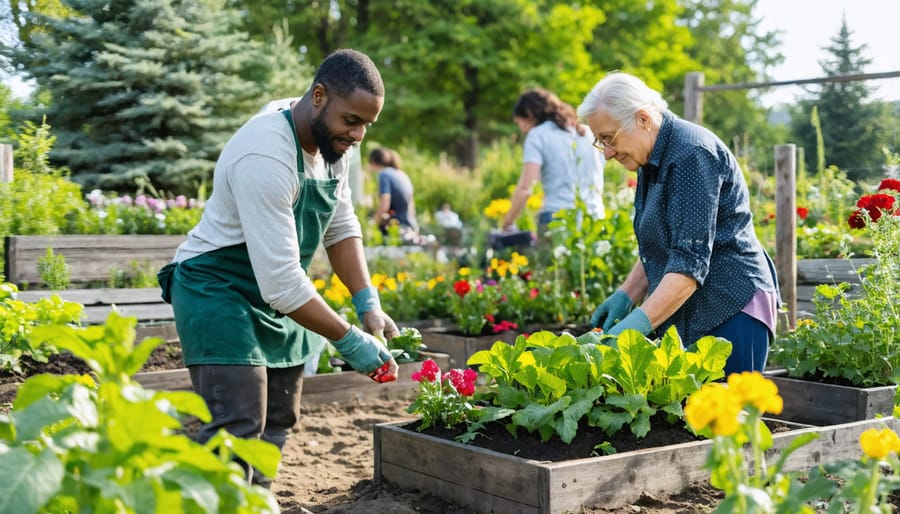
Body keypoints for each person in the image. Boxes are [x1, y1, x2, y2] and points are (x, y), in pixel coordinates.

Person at [157, 49, 400, 487]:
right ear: (319, 96)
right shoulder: (266, 153)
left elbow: (340, 225)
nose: (360, 134)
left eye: (367, 124)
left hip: (276, 286)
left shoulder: (333, 144)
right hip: (218, 285)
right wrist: (349, 340)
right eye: (352, 121)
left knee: (280, 416)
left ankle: (259, 497)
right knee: (238, 417)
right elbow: (284, 282)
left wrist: (368, 303)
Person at [577, 72, 779, 376]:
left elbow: (688, 266)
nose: (606, 153)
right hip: (694, 310)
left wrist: (635, 327)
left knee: (732, 419)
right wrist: (627, 293)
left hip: (730, 307)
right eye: (600, 141)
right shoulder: (652, 156)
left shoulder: (691, 155)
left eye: (609, 138)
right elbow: (664, 242)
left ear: (643, 119)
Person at [500, 87, 606, 240]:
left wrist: (508, 222)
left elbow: (525, 188)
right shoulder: (589, 133)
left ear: (529, 115)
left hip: (557, 218)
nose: (521, 129)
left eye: (520, 122)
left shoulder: (537, 135)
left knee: (554, 264)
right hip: (595, 218)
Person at [367, 147, 420, 243]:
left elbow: (384, 204)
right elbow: (411, 206)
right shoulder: (402, 174)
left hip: (397, 227)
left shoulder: (384, 175)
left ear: (373, 161)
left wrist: (371, 225)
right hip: (410, 227)